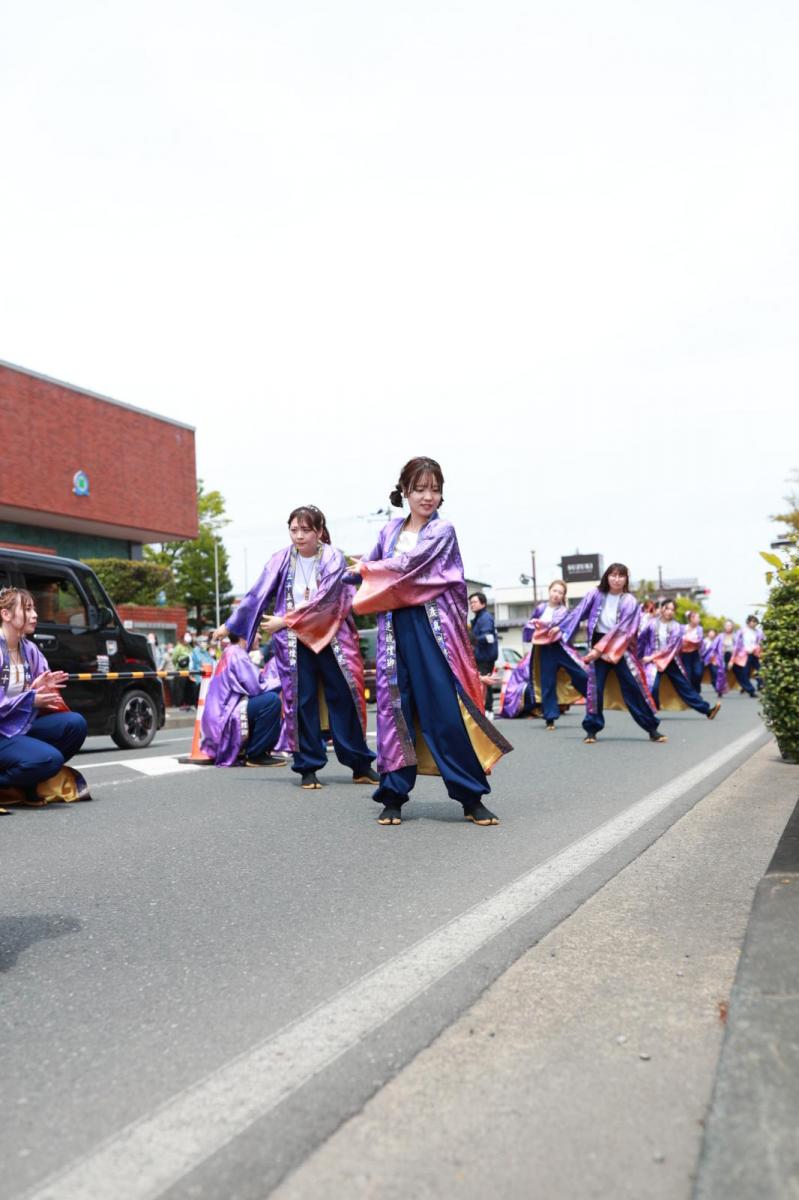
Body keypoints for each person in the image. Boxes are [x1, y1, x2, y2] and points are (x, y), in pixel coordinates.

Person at [351, 456, 512, 826]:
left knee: (443, 712)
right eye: (420, 489)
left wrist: (362, 570)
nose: (428, 497)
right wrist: (342, 579)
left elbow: (409, 566)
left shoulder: (442, 531)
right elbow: (365, 574)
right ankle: (393, 795)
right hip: (394, 630)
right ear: (404, 491)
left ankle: (471, 796)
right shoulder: (388, 532)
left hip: (431, 631)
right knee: (396, 712)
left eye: (435, 489)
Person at [213, 505, 376, 790]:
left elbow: (327, 599)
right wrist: (230, 626)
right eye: (294, 530)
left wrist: (285, 620)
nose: (299, 536)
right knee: (301, 702)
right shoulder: (281, 559)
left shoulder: (333, 557)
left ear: (320, 531)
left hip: (332, 636)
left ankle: (360, 764)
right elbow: (256, 593)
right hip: (294, 642)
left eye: (306, 530)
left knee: (346, 698)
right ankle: (308, 767)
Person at [0, 587, 89, 808]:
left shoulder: (29, 649)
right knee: (50, 759)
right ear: (6, 614)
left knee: (75, 725)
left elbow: (39, 691)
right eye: (27, 609)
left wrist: (43, 688)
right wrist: (31, 697)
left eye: (34, 609)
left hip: (19, 727)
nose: (35, 615)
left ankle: (28, 782)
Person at [560, 563, 663, 744]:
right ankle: (592, 728)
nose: (616, 579)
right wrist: (557, 627)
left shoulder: (630, 601)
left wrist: (598, 651)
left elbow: (624, 631)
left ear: (626, 579)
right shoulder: (595, 594)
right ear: (607, 577)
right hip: (597, 644)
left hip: (621, 648)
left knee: (633, 686)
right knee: (595, 689)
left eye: (621, 576)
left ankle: (651, 727)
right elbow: (577, 612)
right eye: (613, 575)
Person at [200, 635, 284, 767]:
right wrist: (285, 680)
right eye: (256, 632)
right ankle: (257, 754)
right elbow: (257, 687)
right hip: (225, 718)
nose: (261, 636)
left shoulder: (230, 651)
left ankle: (251, 749)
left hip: (218, 720)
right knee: (271, 701)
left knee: (267, 700)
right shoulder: (238, 654)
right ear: (245, 634)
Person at [521, 579, 587, 730]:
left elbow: (564, 628)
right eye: (554, 591)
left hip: (560, 648)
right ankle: (550, 718)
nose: (556, 594)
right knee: (547, 682)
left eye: (560, 592)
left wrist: (548, 626)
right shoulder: (540, 608)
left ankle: (593, 698)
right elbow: (530, 625)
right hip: (544, 649)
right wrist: (534, 624)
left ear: (563, 596)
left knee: (579, 673)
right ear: (549, 591)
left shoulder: (563, 611)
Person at [639, 600, 721, 719]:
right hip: (653, 663)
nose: (670, 612)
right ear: (661, 608)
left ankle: (707, 710)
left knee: (685, 688)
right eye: (667, 608)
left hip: (670, 661)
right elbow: (641, 639)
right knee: (653, 686)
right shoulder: (651, 624)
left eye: (672, 610)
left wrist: (651, 657)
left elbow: (671, 648)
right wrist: (639, 657)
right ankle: (652, 710)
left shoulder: (676, 627)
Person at [469, 592, 499, 715]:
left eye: (475, 602)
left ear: (483, 603)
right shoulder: (478, 618)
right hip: (481, 655)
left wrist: (472, 640)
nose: (472, 605)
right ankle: (486, 709)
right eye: (470, 603)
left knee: (486, 682)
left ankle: (488, 709)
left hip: (485, 656)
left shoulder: (485, 617)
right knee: (485, 681)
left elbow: (487, 636)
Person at [679, 610, 705, 693]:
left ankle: (697, 689)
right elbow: (678, 639)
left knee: (698, 673)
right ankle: (693, 693)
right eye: (698, 618)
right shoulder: (682, 628)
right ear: (691, 618)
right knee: (688, 674)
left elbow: (699, 640)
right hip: (685, 655)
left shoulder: (699, 629)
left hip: (695, 654)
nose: (699, 620)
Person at [742, 615, 764, 693]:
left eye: (755, 622)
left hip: (755, 653)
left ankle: (761, 684)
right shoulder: (743, 631)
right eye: (752, 621)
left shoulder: (758, 631)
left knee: (759, 669)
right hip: (746, 654)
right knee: (746, 671)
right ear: (748, 622)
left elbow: (762, 640)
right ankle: (746, 687)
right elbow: (740, 643)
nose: (754, 623)